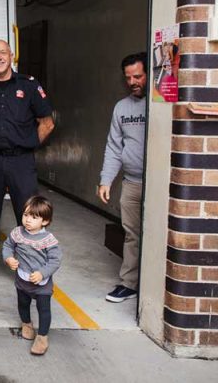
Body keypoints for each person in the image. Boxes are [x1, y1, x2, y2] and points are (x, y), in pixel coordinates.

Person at [0, 39, 55, 249]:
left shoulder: (29, 85)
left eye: (3, 53)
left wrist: (29, 144)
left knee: (29, 213)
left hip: (21, 161)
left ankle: (28, 261)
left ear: (11, 55)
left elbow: (47, 123)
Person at [98, 52, 147, 303]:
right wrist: (106, 180)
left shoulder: (162, 104)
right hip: (132, 182)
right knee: (132, 234)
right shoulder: (122, 107)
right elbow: (114, 148)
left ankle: (159, 284)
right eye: (128, 77)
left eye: (137, 76)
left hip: (159, 184)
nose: (132, 82)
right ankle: (129, 283)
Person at [2, 196, 62, 356]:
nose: (28, 220)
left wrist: (42, 273)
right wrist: (8, 258)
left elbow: (55, 261)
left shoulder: (48, 240)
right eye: (26, 215)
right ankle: (27, 325)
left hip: (41, 283)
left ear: (45, 221)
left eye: (34, 217)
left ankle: (42, 338)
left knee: (44, 309)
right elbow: (7, 245)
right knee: (23, 303)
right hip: (22, 279)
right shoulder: (17, 232)